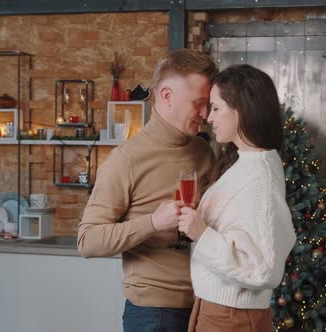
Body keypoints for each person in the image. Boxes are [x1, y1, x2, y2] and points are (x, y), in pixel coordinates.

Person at [77, 49, 217, 332]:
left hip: (205, 305)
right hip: (154, 314)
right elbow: (87, 241)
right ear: (166, 96)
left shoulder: (204, 151)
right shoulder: (126, 159)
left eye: (208, 104)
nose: (205, 113)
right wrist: (152, 222)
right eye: (198, 103)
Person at [177, 64, 296, 332]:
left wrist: (202, 233)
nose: (208, 117)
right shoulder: (244, 163)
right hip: (216, 310)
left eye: (216, 108)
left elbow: (264, 270)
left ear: (241, 109)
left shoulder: (260, 176)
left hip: (232, 317)